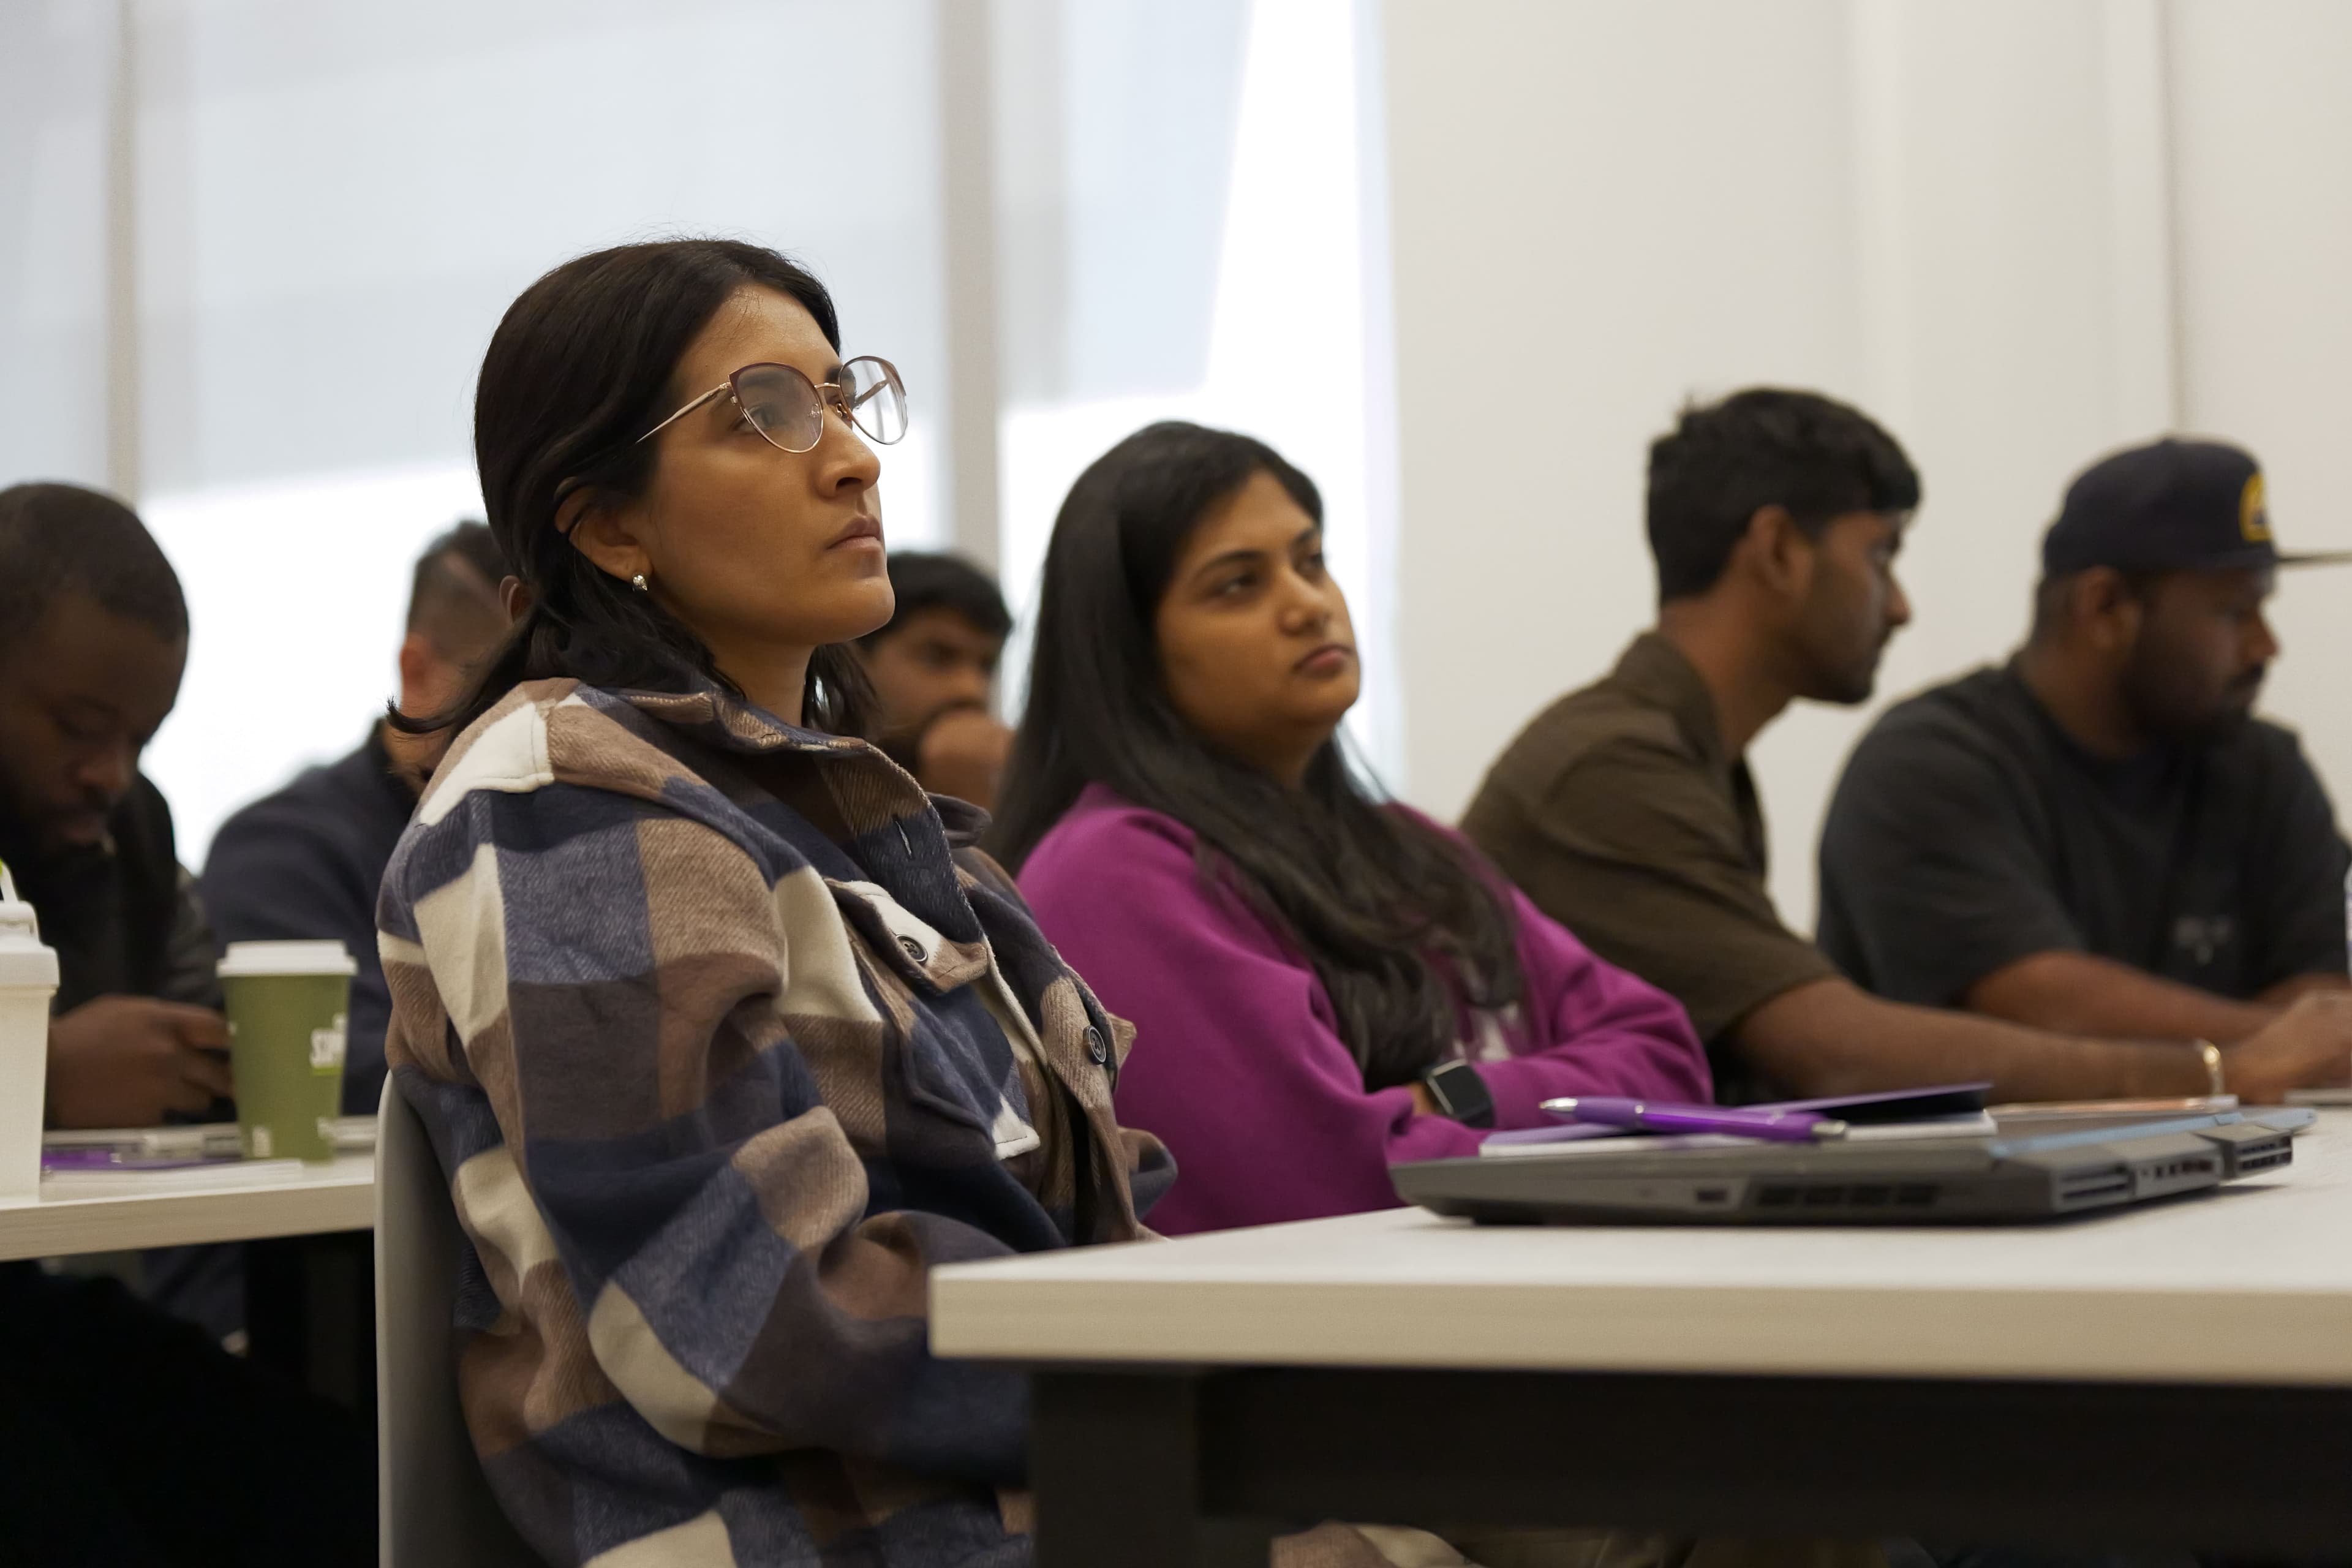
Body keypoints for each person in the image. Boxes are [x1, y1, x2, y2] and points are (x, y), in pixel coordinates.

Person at [376, 238, 1177, 1568]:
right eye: (768, 413)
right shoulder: (569, 795)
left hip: (1044, 1495)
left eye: (846, 399)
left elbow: (1101, 1197)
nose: (855, 456)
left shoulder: (879, 829)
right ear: (607, 521)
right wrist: (1188, 1379)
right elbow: (752, 1313)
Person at [1461, 389, 2352, 1106]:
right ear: (1777, 551)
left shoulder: (1683, 754)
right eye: (1881, 555)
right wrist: (2221, 1073)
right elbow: (1838, 1056)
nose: (1900, 607)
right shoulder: (1613, 768)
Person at [995, 421, 1711, 1238]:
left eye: (1311, 562)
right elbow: (1336, 1176)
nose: (1307, 605)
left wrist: (1444, 1099)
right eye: (1238, 584)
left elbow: (1668, 1058)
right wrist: (1536, 1098)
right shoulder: (1114, 870)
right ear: (1128, 651)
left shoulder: (1415, 848)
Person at [0, 481, 374, 1567]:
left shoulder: (122, 833)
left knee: (331, 1488)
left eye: (142, 738)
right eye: (77, 728)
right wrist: (48, 1083)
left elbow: (208, 1020)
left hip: (30, 1302)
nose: (108, 773)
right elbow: (72, 1083)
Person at [1817, 437, 2351, 1042]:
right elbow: (2037, 1008)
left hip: (2248, 1141)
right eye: (2233, 612)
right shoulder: (1929, 764)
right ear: (2106, 608)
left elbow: (2330, 992)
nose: (2266, 646)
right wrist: (2280, 1043)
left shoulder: (2262, 768)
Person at [202, 519, 508, 1120]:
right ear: (416, 671)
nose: (548, 727)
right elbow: (348, 1072)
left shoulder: (564, 835)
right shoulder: (279, 853)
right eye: (507, 696)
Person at [856, 549, 1015, 807]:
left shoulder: (1010, 774)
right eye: (938, 657)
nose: (971, 689)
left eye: (987, 666)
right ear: (856, 659)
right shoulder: (793, 787)